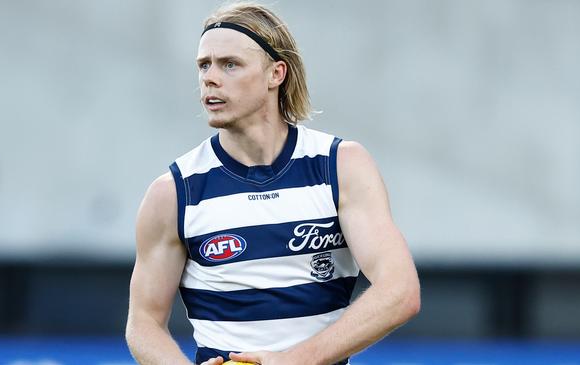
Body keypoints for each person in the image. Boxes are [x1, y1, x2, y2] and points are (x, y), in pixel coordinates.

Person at [125, 2, 420, 365]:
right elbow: (143, 323)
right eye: (204, 65)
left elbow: (400, 291)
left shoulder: (340, 166)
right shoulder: (173, 192)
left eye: (229, 64)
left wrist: (298, 360)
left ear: (275, 73)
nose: (210, 78)